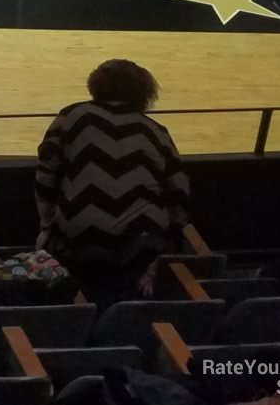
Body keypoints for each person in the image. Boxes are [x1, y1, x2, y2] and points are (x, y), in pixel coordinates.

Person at [35, 59, 188, 303]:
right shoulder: (157, 131)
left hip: (78, 240)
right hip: (142, 243)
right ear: (145, 93)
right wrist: (165, 250)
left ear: (95, 85)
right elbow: (179, 194)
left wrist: (46, 228)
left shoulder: (72, 115)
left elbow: (46, 176)